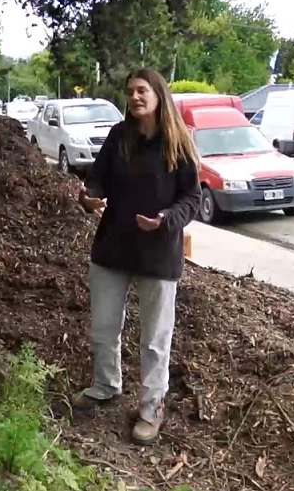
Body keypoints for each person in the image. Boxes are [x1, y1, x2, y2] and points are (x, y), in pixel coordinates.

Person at [73, 68, 202, 445]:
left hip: (158, 253)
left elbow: (192, 198)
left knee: (154, 339)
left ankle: (151, 408)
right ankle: (106, 385)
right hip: (113, 246)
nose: (135, 97)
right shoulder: (120, 136)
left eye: (142, 90)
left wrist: (165, 219)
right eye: (130, 91)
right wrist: (90, 196)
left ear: (159, 95)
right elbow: (98, 178)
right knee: (103, 327)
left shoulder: (178, 142)